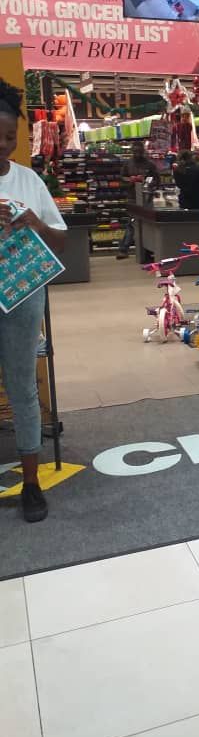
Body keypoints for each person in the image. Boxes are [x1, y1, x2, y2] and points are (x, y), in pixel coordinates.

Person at [0, 79, 67, 522]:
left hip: (22, 296)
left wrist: (35, 224)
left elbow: (60, 240)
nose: (3, 145)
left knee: (23, 386)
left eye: (10, 136)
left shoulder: (28, 180)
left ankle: (31, 483)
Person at [116, 140, 160, 259]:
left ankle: (147, 249)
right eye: (135, 152)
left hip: (146, 198)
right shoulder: (127, 164)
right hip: (132, 197)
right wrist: (130, 180)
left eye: (140, 152)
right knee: (132, 223)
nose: (138, 154)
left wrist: (146, 181)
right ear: (132, 151)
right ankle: (124, 249)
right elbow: (121, 179)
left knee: (147, 224)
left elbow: (157, 180)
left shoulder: (150, 165)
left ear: (143, 151)